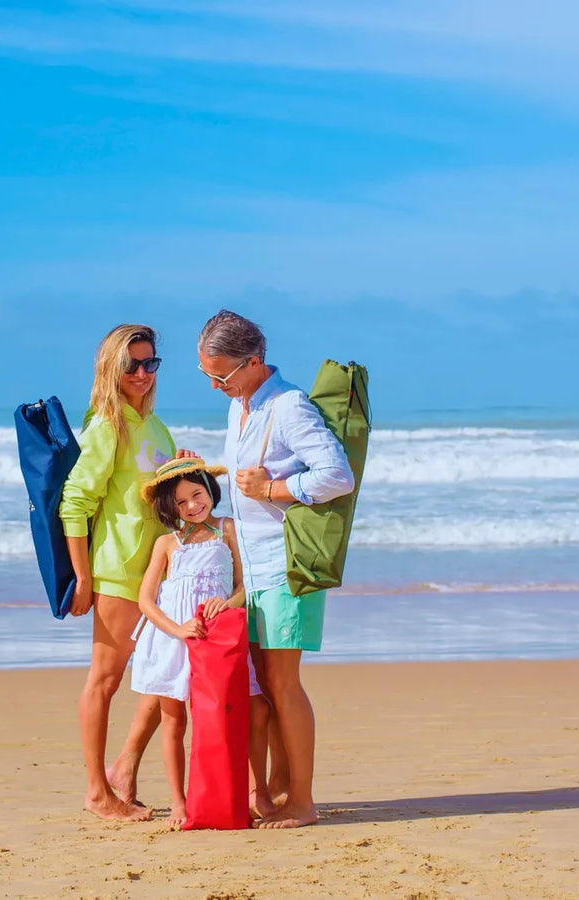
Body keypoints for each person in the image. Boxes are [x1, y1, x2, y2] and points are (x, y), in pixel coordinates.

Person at [196, 310, 355, 829]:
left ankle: (303, 802)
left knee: (283, 683)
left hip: (288, 564)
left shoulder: (289, 407)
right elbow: (242, 483)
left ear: (253, 362)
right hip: (254, 567)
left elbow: (337, 475)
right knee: (264, 681)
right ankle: (281, 790)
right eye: (208, 378)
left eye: (221, 376)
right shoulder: (240, 408)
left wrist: (271, 490)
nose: (216, 386)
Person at [59, 323, 183, 822]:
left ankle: (125, 767)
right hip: (117, 573)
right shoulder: (107, 426)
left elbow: (166, 497)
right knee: (105, 682)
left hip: (163, 574)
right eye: (131, 364)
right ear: (110, 368)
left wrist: (185, 472)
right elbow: (75, 503)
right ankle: (96, 792)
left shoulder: (154, 425)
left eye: (150, 363)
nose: (141, 373)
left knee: (169, 677)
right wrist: (83, 578)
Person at [131, 457, 271, 828]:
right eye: (181, 502)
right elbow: (146, 600)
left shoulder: (228, 529)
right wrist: (177, 630)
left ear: (210, 489)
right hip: (175, 640)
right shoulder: (167, 543)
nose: (192, 506)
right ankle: (180, 802)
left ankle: (258, 792)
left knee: (248, 710)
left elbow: (245, 584)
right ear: (168, 507)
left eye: (197, 495)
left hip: (219, 638)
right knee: (173, 719)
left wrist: (226, 604)